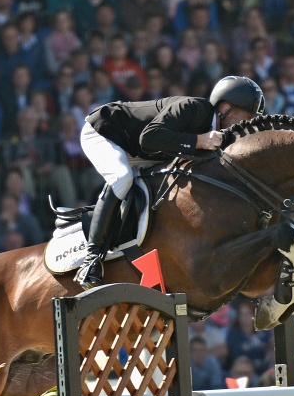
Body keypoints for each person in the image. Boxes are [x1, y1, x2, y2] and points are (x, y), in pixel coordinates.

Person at [76, 75, 264, 289]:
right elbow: (149, 137)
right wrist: (198, 141)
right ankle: (91, 260)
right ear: (226, 107)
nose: (248, 124)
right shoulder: (193, 108)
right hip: (105, 130)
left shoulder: (222, 138)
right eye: (246, 115)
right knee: (122, 177)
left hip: (138, 151)